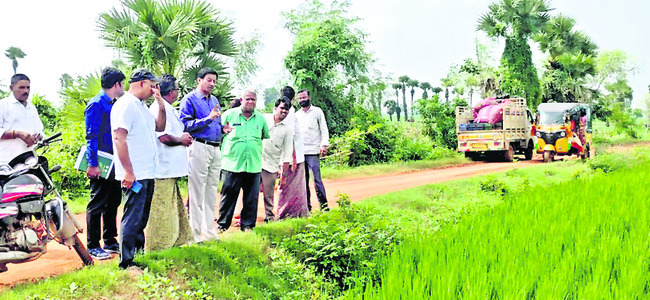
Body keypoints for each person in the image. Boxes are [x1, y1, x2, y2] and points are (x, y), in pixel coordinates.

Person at [111, 69, 166, 270]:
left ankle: (138, 254)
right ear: (142, 83)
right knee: (132, 216)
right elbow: (119, 137)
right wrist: (128, 171)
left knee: (142, 216)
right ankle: (126, 261)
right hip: (134, 173)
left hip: (147, 171)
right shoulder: (125, 105)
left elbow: (159, 127)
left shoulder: (142, 107)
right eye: (152, 85)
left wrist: (160, 104)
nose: (155, 89)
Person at [145, 75, 193, 251]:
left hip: (171, 169)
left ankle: (177, 239)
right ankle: (158, 245)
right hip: (162, 169)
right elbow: (163, 136)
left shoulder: (169, 109)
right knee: (162, 209)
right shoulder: (157, 108)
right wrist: (181, 139)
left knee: (173, 206)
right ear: (172, 92)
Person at [83, 67, 125, 260]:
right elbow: (91, 135)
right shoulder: (97, 104)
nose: (123, 87)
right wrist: (92, 164)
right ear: (116, 84)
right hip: (101, 160)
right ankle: (93, 245)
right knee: (97, 201)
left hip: (115, 159)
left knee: (113, 200)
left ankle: (110, 239)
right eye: (122, 84)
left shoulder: (114, 104)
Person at [179, 67, 224, 242]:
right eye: (209, 80)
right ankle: (195, 234)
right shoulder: (189, 99)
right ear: (199, 80)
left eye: (214, 81)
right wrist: (208, 119)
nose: (212, 83)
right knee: (197, 191)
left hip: (215, 147)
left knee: (212, 190)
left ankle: (209, 231)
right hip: (198, 146)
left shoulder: (214, 100)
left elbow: (216, 123)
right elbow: (184, 125)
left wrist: (223, 129)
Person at [216, 90, 269, 232]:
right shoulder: (229, 115)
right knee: (228, 197)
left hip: (253, 164)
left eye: (253, 99)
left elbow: (264, 135)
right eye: (247, 99)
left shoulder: (261, 119)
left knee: (251, 198)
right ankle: (222, 225)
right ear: (241, 100)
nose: (250, 102)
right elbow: (218, 132)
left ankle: (247, 225)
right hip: (232, 164)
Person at [295, 89, 330, 211]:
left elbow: (324, 129)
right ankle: (307, 208)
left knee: (317, 180)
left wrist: (324, 145)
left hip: (314, 151)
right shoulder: (297, 115)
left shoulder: (317, 112)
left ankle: (324, 207)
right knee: (303, 182)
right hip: (301, 152)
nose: (302, 100)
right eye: (300, 98)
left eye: (304, 97)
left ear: (309, 98)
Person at [277, 86, 309, 219]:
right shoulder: (290, 111)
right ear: (294, 98)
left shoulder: (281, 109)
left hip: (289, 155)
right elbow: (290, 135)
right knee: (290, 185)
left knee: (293, 185)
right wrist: (293, 157)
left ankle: (294, 213)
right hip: (292, 156)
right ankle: (287, 213)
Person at [261, 97, 294, 222]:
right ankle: (247, 219)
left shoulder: (287, 130)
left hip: (271, 165)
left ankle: (269, 218)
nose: (284, 111)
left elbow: (287, 154)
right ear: (275, 108)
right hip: (255, 161)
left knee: (268, 194)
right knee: (250, 192)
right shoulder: (263, 119)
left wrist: (284, 175)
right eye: (282, 108)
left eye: (286, 110)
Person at [0, 74, 44, 165]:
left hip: (29, 161)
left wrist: (38, 137)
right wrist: (17, 134)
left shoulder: (31, 107)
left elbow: (40, 131)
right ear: (11, 88)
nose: (26, 91)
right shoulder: (3, 105)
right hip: (6, 163)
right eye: (21, 87)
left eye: (28, 87)